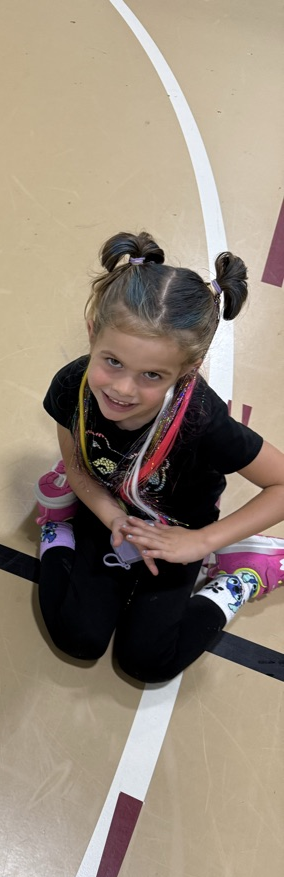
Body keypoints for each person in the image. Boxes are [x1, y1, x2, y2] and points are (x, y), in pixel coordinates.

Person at [35, 231, 284, 683]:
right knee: (78, 638)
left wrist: (202, 543)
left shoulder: (203, 420)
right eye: (111, 361)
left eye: (152, 375)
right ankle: (58, 528)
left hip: (178, 533)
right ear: (93, 333)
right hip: (107, 509)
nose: (123, 389)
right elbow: (74, 464)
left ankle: (242, 576)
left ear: (190, 366)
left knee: (147, 661)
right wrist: (108, 514)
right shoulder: (72, 384)